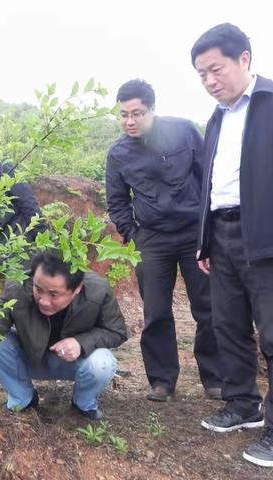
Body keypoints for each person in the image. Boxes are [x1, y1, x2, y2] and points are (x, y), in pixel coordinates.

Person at [105, 79, 223, 402]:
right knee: (156, 311)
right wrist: (134, 235)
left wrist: (207, 228)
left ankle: (214, 378)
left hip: (192, 234)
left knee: (207, 307)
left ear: (153, 110)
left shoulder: (184, 132)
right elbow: (117, 200)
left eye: (137, 114)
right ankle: (161, 380)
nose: (130, 121)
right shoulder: (118, 154)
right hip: (152, 240)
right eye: (124, 114)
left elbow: (208, 177)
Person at [191, 23, 273, 468]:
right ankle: (243, 404)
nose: (209, 81)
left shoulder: (270, 104)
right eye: (202, 74)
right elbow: (212, 185)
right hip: (222, 234)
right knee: (227, 324)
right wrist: (206, 239)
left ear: (244, 59)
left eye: (215, 69)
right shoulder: (218, 117)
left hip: (265, 236)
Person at [0, 250, 127, 421]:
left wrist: (81, 342)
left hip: (76, 363)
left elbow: (117, 331)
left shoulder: (98, 291)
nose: (44, 301)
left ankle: (84, 403)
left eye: (54, 294)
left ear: (77, 288)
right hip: (32, 358)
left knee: (103, 362)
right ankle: (22, 399)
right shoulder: (18, 288)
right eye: (38, 289)